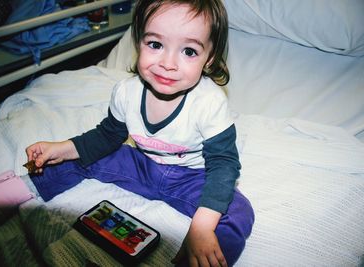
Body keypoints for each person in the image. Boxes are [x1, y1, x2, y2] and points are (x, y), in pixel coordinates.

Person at [14, 0, 254, 266]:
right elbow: (106, 137)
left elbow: (224, 166)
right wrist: (63, 147)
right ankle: (20, 187)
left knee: (239, 212)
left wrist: (202, 227)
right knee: (86, 157)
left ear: (208, 59)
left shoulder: (209, 102)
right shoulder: (126, 93)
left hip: (192, 178)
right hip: (143, 165)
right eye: (155, 45)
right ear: (139, 42)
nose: (168, 63)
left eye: (188, 51)